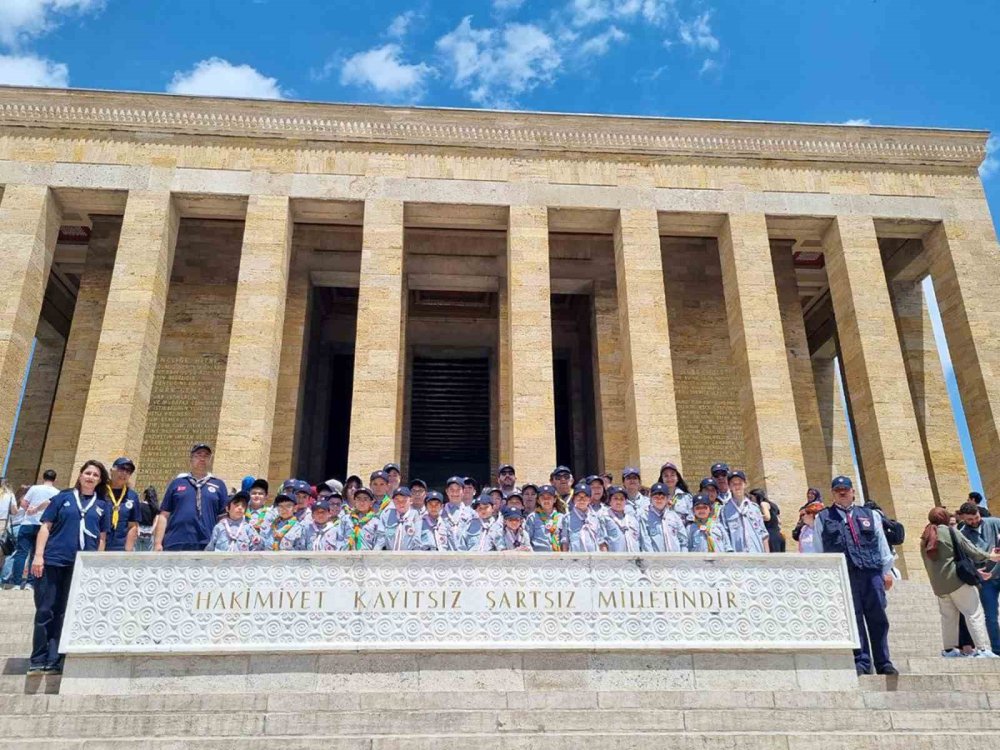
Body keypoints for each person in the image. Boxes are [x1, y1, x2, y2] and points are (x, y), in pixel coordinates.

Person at [28, 460, 110, 674]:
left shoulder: (102, 505)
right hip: (53, 559)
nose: (91, 477)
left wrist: (96, 564)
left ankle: (54, 659)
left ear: (100, 480)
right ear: (80, 475)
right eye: (88, 473)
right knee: (46, 609)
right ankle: (38, 658)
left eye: (96, 475)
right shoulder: (63, 497)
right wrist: (38, 556)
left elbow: (102, 538)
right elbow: (45, 527)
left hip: (80, 565)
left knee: (65, 612)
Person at [814, 475, 898, 676]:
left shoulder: (870, 515)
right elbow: (817, 549)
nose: (842, 492)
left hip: (871, 573)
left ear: (853, 491)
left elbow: (881, 544)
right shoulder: (823, 517)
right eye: (837, 490)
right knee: (854, 619)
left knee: (878, 618)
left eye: (845, 489)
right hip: (844, 576)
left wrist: (887, 571)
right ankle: (861, 661)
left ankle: (883, 661)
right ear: (833, 494)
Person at [921, 506, 1000, 658]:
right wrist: (990, 556)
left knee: (948, 618)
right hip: (957, 581)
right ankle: (982, 649)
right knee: (973, 613)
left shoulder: (924, 536)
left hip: (939, 586)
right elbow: (972, 550)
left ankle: (949, 650)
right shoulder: (950, 531)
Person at [155, 444, 228, 552]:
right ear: (191, 459)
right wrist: (157, 543)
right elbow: (164, 515)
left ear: (210, 460)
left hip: (207, 542)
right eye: (198, 455)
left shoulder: (219, 485)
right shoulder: (177, 483)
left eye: (206, 456)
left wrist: (222, 543)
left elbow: (223, 518)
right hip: (176, 540)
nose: (202, 458)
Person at [956, 501, 1000, 655]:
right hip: (985, 580)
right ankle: (997, 649)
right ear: (963, 518)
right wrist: (976, 571)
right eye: (970, 520)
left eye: (976, 517)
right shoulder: (961, 534)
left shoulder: (994, 523)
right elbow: (963, 559)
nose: (974, 521)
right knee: (991, 616)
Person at [11, 469, 60, 590]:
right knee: (36, 554)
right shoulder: (57, 492)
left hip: (28, 522)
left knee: (21, 553)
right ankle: (30, 583)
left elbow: (23, 502)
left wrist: (29, 508)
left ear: (43, 477)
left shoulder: (34, 488)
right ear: (55, 479)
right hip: (44, 526)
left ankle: (16, 583)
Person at [718, 471, 769, 553]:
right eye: (734, 484)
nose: (737, 487)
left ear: (745, 484)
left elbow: (764, 534)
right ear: (729, 487)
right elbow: (725, 536)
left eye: (740, 483)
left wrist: (767, 556)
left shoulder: (754, 508)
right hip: (737, 558)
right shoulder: (724, 510)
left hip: (757, 555)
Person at [638, 483, 688, 552]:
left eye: (662, 497)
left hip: (676, 560)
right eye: (656, 497)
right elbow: (645, 543)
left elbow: (683, 540)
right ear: (650, 497)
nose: (659, 500)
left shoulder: (674, 516)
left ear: (668, 498)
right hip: (655, 560)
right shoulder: (645, 517)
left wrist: (683, 557)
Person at [105, 457, 139, 552]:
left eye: (128, 471)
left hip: (119, 547)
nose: (124, 473)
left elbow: (132, 525)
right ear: (112, 470)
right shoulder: (100, 491)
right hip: (96, 545)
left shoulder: (132, 496)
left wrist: (128, 551)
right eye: (121, 469)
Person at [560, 483, 608, 552]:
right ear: (573, 499)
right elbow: (565, 542)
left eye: (585, 496)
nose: (582, 500)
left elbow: (602, 541)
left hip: (594, 558)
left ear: (590, 499)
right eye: (579, 496)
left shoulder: (596, 518)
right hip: (575, 558)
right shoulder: (567, 518)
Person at [601, 484, 640, 552]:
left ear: (625, 502)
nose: (619, 502)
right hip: (615, 560)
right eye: (615, 498)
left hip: (634, 559)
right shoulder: (605, 518)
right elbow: (602, 543)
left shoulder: (632, 519)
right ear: (610, 501)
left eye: (622, 499)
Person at [526, 484, 563, 552]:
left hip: (558, 555)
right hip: (538, 555)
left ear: (554, 499)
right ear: (538, 501)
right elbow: (527, 539)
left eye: (549, 497)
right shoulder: (532, 517)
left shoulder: (561, 517)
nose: (546, 500)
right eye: (543, 498)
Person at [749, 487, 784, 553]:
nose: (751, 500)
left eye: (752, 497)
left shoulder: (763, 504)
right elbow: (779, 521)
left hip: (770, 535)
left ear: (756, 496)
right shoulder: (773, 505)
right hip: (777, 534)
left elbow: (767, 517)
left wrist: (754, 517)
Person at [441, 476, 473, 546]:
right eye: (451, 490)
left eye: (458, 490)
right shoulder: (440, 513)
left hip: (466, 554)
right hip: (444, 554)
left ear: (463, 491)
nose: (455, 493)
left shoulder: (472, 513)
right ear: (447, 491)